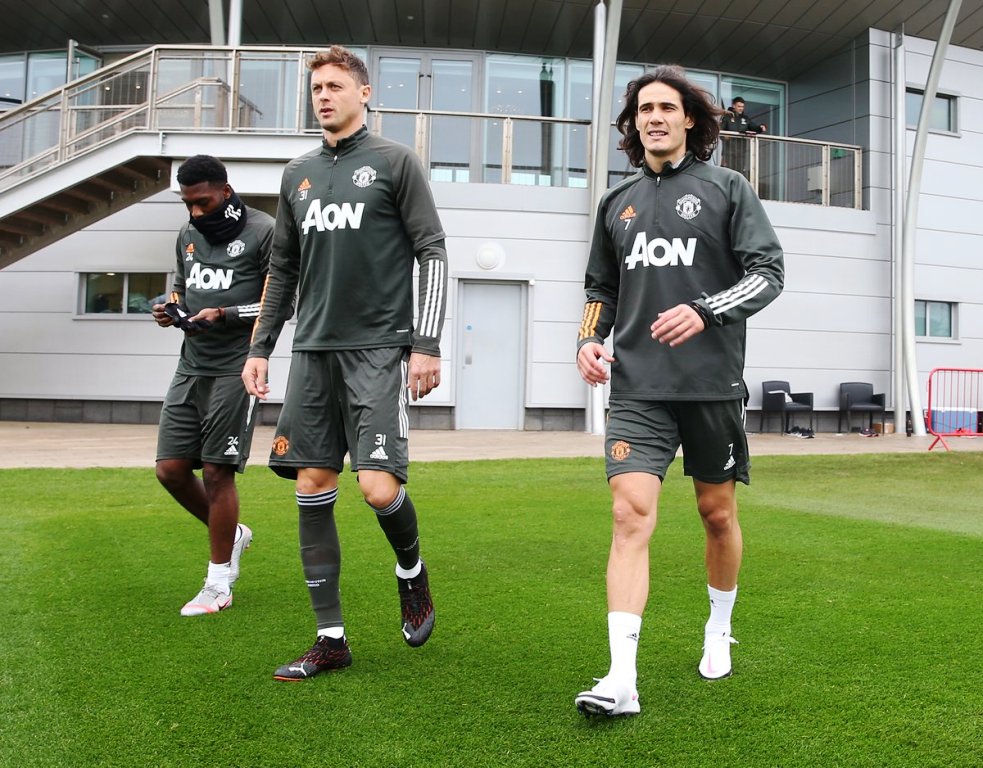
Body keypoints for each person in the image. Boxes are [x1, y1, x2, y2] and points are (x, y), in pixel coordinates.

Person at [573, 66, 784, 717]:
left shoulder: (727, 189)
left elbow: (767, 273)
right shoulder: (617, 203)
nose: (654, 116)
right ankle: (621, 678)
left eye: (666, 107)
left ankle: (717, 626)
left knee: (716, 514)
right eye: (644, 109)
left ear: (689, 119)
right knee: (628, 514)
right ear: (633, 123)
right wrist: (587, 338)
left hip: (709, 385)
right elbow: (599, 289)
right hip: (637, 387)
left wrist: (705, 310)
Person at [241, 46, 447, 682]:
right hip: (312, 353)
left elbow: (431, 251)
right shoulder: (298, 173)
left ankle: (411, 572)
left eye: (334, 85)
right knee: (310, 486)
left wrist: (426, 342)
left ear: (363, 93)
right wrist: (259, 348)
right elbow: (283, 268)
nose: (322, 96)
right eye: (316, 88)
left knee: (377, 487)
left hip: (378, 349)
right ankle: (330, 639)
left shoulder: (395, 162)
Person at [152, 154, 275, 616]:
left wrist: (223, 314)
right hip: (191, 365)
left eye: (202, 202)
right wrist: (171, 309)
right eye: (188, 204)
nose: (195, 213)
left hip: (237, 366)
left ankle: (218, 583)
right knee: (170, 469)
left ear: (225, 191)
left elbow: (280, 301)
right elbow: (182, 288)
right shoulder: (187, 235)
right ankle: (234, 532)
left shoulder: (263, 231)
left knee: (216, 470)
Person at [719, 97, 767, 177]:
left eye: (742, 107)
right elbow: (721, 131)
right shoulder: (727, 117)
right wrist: (725, 137)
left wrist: (761, 127)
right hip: (728, 153)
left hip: (741, 153)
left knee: (739, 175)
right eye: (739, 106)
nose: (741, 108)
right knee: (727, 174)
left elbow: (754, 128)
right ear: (734, 106)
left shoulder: (745, 119)